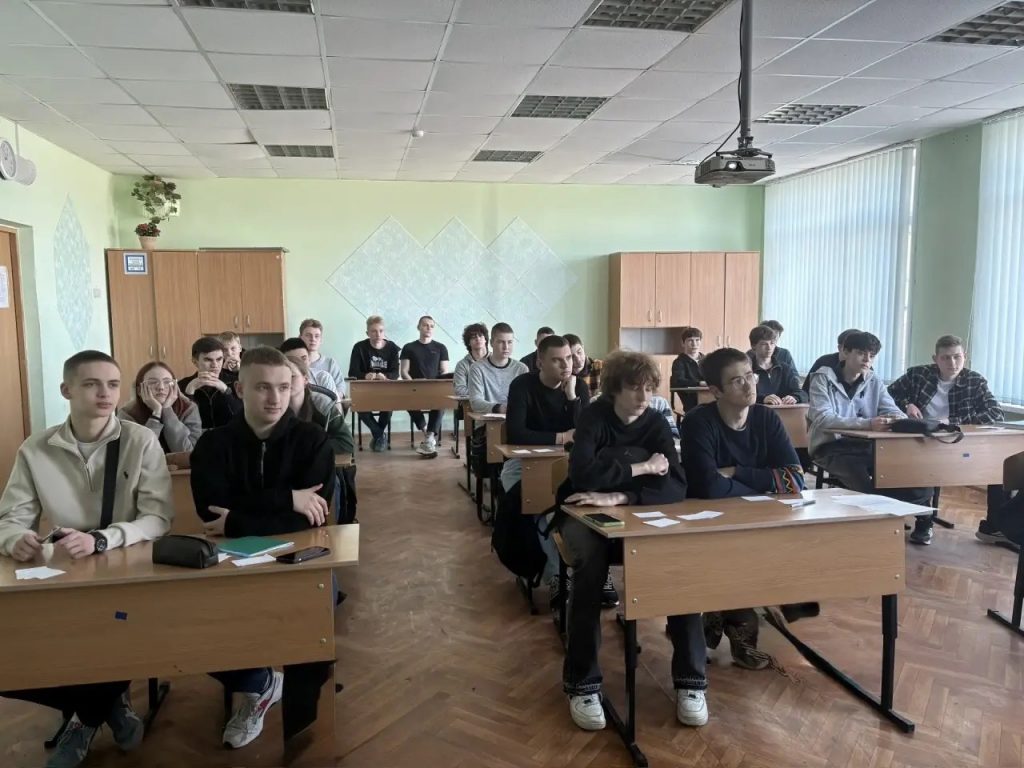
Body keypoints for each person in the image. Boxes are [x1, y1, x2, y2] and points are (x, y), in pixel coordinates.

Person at [0, 350, 173, 768]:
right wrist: (15, 539)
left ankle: (85, 718)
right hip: (63, 571)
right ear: (66, 390)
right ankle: (110, 705)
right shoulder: (36, 448)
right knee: (16, 652)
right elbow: (11, 518)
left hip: (127, 569)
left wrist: (103, 539)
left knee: (119, 633)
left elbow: (158, 518)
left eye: (112, 385)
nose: (104, 394)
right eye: (91, 384)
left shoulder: (140, 440)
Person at [190, 347, 335, 750]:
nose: (275, 398)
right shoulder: (213, 444)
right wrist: (288, 499)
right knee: (187, 625)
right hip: (228, 560)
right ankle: (257, 682)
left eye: (284, 388)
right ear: (240, 390)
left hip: (298, 560)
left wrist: (239, 518)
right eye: (263, 388)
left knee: (314, 625)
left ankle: (302, 728)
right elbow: (210, 512)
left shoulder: (312, 440)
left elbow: (312, 518)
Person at [557, 350, 709, 732]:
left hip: (634, 510)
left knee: (680, 565)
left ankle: (691, 681)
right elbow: (582, 475)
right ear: (614, 389)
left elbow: (676, 483)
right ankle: (582, 684)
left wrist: (620, 494)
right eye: (634, 388)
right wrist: (643, 467)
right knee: (590, 568)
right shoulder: (594, 416)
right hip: (583, 511)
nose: (643, 397)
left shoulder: (655, 420)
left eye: (649, 388)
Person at [681, 348, 806, 670]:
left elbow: (795, 480)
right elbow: (707, 487)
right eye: (737, 381)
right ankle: (734, 623)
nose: (749, 385)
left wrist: (736, 472)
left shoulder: (766, 418)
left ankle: (725, 618)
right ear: (716, 391)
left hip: (760, 518)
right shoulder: (698, 422)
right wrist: (765, 483)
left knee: (781, 550)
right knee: (732, 554)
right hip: (706, 521)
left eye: (750, 376)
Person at [807, 331, 936, 544]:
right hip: (830, 446)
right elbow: (823, 418)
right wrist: (868, 423)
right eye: (861, 353)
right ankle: (878, 525)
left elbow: (891, 409)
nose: (867, 359)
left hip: (867, 445)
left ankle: (922, 519)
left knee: (910, 469)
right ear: (845, 352)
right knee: (860, 478)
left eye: (872, 355)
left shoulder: (873, 380)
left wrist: (897, 419)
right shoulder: (822, 378)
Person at [887, 335, 1007, 547]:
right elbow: (887, 395)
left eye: (957, 357)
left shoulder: (974, 381)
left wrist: (951, 423)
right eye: (945, 358)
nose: (952, 363)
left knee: (1000, 468)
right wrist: (907, 404)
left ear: (964, 356)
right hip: (920, 438)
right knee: (919, 465)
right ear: (935, 359)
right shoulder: (918, 375)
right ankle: (924, 522)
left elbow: (995, 413)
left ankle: (995, 527)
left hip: (957, 441)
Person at [503, 335, 589, 607]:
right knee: (542, 509)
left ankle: (597, 575)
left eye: (569, 358)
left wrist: (572, 397)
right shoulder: (522, 385)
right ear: (540, 362)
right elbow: (516, 433)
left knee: (590, 511)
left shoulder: (578, 386)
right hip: (523, 464)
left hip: (569, 464)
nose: (566, 365)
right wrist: (562, 437)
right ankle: (557, 578)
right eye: (557, 360)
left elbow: (587, 435)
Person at [118, 361, 203, 453]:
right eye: (152, 382)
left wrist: (167, 411)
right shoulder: (127, 414)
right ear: (139, 390)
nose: (161, 387)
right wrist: (156, 413)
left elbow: (188, 452)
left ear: (175, 387)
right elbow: (139, 454)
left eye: (167, 382)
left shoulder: (189, 409)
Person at [348, 315, 401, 452]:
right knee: (359, 406)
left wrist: (386, 376)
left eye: (381, 331)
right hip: (365, 391)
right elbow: (352, 372)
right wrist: (364, 376)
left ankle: (378, 436)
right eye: (374, 331)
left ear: (384, 332)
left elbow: (396, 373)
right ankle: (380, 435)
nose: (378, 334)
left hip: (386, 390)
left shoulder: (392, 348)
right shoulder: (359, 347)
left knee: (388, 408)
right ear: (367, 333)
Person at [400, 315, 450, 456]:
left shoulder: (441, 347)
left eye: (431, 326)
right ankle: (427, 431)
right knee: (406, 400)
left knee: (441, 401)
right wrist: (413, 385)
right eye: (425, 325)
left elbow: (444, 372)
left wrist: (436, 385)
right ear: (419, 327)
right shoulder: (408, 347)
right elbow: (404, 372)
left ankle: (429, 437)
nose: (428, 328)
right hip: (414, 388)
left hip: (435, 389)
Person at [179, 336, 242, 429]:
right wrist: (189, 393)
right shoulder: (182, 385)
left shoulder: (235, 382)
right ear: (195, 362)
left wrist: (226, 390)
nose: (215, 365)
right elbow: (181, 425)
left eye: (219, 359)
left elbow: (242, 417)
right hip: (198, 437)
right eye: (208, 360)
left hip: (230, 436)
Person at [747, 324, 806, 405]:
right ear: (753, 346)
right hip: (757, 410)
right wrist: (763, 399)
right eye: (764, 344)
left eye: (772, 343)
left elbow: (802, 393)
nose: (769, 348)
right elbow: (742, 395)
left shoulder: (785, 368)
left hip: (782, 410)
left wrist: (795, 397)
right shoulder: (747, 369)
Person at [802, 328, 859, 395]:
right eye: (850, 347)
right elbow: (806, 391)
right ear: (840, 348)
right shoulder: (823, 362)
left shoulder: (864, 366)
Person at [299, 318, 345, 393]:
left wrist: (333, 398)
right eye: (308, 335)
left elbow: (340, 387)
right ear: (300, 338)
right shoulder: (295, 363)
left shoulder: (330, 363)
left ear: (321, 340)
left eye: (317, 336)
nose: (313, 339)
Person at [670, 326, 705, 411]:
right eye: (690, 340)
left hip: (710, 396)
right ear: (683, 343)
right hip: (691, 400)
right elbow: (678, 381)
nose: (694, 344)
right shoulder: (679, 362)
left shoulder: (707, 360)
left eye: (697, 340)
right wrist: (700, 383)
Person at [453, 322, 489, 398]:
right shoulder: (462, 365)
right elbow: (460, 390)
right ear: (468, 343)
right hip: (470, 403)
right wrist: (485, 393)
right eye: (473, 337)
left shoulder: (496, 360)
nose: (478, 339)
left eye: (480, 336)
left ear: (485, 339)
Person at [562, 333, 596, 401]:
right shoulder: (561, 376)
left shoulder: (601, 368)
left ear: (583, 348)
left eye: (579, 352)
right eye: (571, 356)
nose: (578, 360)